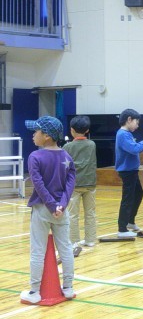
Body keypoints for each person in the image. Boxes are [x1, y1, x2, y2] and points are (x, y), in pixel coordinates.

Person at [21, 116, 76, 304]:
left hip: (42, 209)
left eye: (35, 132)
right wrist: (61, 205)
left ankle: (34, 291)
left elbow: (38, 184)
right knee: (66, 248)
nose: (33, 135)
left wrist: (52, 206)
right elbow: (70, 183)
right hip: (61, 209)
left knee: (38, 250)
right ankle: (68, 288)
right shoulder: (67, 157)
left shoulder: (35, 157)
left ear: (46, 136)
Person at [115, 108, 143, 238]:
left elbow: (135, 147)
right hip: (127, 171)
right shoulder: (123, 134)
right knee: (128, 198)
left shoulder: (127, 134)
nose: (137, 126)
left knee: (138, 194)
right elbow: (133, 149)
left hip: (132, 170)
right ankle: (122, 229)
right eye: (136, 122)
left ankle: (130, 221)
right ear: (129, 120)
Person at [63, 115, 97, 249]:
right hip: (90, 183)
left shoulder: (67, 147)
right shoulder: (92, 144)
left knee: (72, 214)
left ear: (71, 130)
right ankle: (90, 240)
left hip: (73, 185)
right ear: (87, 130)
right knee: (90, 213)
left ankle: (74, 241)